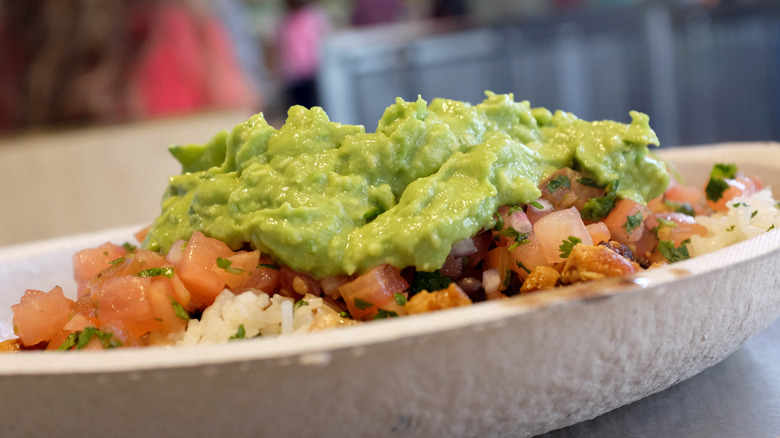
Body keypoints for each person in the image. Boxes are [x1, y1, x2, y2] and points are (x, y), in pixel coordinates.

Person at [276, 0, 330, 109]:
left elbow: (326, 42)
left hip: (316, 74)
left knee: (320, 108)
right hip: (295, 78)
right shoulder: (284, 22)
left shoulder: (314, 17)